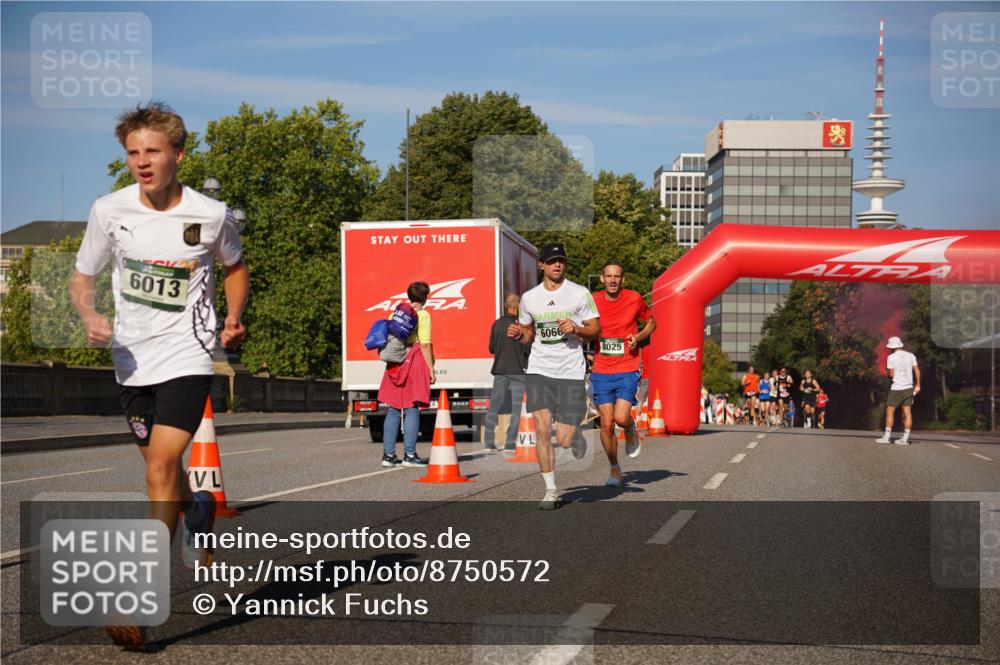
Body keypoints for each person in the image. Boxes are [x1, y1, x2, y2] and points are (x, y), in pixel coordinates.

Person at [70, 102, 250, 651]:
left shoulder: (211, 213)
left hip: (188, 355)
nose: (141, 162)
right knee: (160, 473)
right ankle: (196, 508)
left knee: (161, 467)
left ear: (178, 154)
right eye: (132, 153)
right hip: (131, 360)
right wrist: (89, 314)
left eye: (152, 151)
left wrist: (235, 318)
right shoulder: (109, 211)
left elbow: (234, 267)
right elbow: (83, 276)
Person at [508, 243, 600, 509]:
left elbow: (596, 329)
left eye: (561, 260)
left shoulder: (579, 293)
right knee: (541, 428)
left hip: (570, 371)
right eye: (551, 261)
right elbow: (528, 334)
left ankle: (575, 434)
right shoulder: (530, 298)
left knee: (565, 438)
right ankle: (550, 489)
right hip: (539, 370)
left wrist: (577, 328)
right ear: (542, 265)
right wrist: (518, 334)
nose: (557, 265)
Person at [590, 261, 655, 488]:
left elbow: (651, 322)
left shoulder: (634, 298)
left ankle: (629, 427)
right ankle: (615, 468)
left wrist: (638, 337)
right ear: (602, 279)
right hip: (601, 369)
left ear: (622, 279)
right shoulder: (592, 300)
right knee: (606, 424)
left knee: (619, 418)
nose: (612, 280)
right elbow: (584, 325)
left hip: (627, 367)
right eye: (608, 276)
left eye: (617, 276)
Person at [378, 282, 434, 467]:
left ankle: (388, 455)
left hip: (395, 363)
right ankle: (409, 455)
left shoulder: (396, 313)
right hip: (414, 360)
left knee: (393, 409)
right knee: (411, 408)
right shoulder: (423, 315)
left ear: (409, 296)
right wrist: (431, 370)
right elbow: (424, 344)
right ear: (424, 297)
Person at [483, 294, 529, 451]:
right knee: (517, 408)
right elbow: (528, 349)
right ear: (519, 306)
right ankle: (510, 442)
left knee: (494, 406)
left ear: (506, 305)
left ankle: (489, 441)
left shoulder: (497, 324)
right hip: (518, 371)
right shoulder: (522, 325)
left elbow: (491, 348)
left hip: (500, 370)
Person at [876, 336, 921, 445]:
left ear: (891, 347)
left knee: (890, 411)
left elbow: (891, 374)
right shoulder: (911, 356)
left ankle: (887, 437)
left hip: (896, 388)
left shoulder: (891, 357)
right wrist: (918, 385)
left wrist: (887, 374)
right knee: (907, 413)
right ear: (900, 345)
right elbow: (917, 370)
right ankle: (905, 439)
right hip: (908, 387)